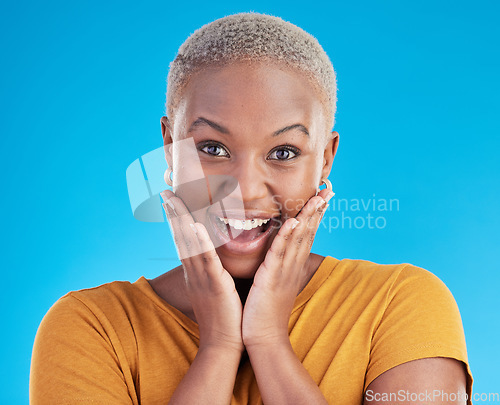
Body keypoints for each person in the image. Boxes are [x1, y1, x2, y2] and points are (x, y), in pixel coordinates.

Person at [30, 12, 473, 404]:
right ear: (169, 148)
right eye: (212, 148)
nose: (243, 189)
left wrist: (269, 342)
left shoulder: (400, 303)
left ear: (325, 158)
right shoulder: (91, 328)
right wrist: (218, 346)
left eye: (283, 152)